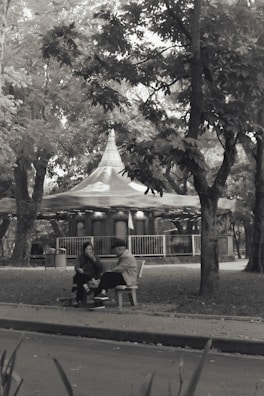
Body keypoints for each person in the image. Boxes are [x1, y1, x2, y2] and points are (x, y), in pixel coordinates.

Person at [90, 238, 137, 310]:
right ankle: (100, 299)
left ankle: (101, 296)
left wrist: (109, 271)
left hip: (127, 279)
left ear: (120, 249)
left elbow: (120, 269)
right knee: (104, 278)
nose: (115, 253)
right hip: (123, 277)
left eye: (115, 251)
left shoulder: (128, 257)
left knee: (106, 276)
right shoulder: (123, 257)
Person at [72, 242, 103, 307]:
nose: (89, 251)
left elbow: (100, 268)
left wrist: (93, 260)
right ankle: (86, 287)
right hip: (82, 275)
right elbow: (77, 265)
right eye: (87, 249)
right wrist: (78, 268)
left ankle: (78, 300)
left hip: (91, 275)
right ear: (84, 250)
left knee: (79, 279)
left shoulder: (95, 257)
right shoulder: (81, 257)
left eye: (90, 249)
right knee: (80, 276)